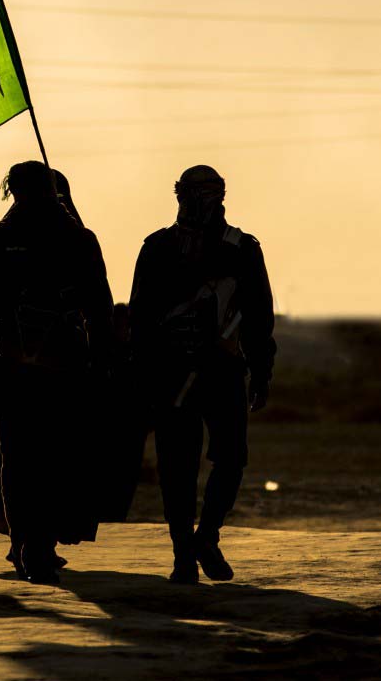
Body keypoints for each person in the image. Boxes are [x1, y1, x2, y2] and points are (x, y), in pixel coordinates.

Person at [0, 161, 115, 585]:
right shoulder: (77, 239)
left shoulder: (7, 239)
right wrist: (104, 360)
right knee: (47, 457)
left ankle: (31, 545)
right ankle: (35, 547)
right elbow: (99, 309)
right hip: (51, 368)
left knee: (21, 459)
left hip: (22, 366)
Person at [129, 165, 275, 585]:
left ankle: (206, 537)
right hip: (171, 376)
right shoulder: (157, 248)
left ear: (221, 197)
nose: (198, 202)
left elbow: (258, 316)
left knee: (231, 459)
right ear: (178, 196)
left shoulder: (242, 249)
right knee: (177, 467)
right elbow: (140, 319)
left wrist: (261, 371)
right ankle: (183, 555)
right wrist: (143, 374)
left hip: (223, 372)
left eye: (207, 194)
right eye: (191, 194)